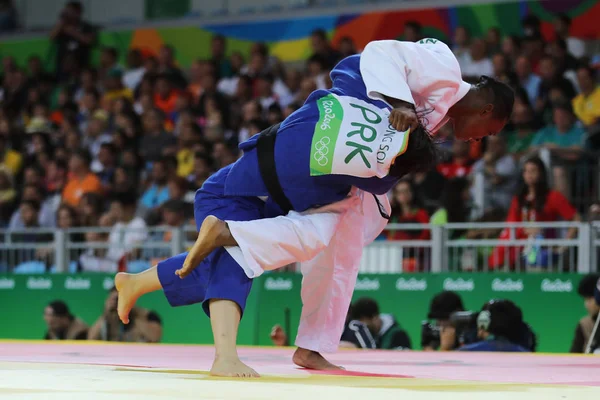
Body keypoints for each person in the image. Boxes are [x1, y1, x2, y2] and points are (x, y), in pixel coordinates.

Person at [115, 39, 514, 377]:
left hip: (327, 167)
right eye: (489, 133)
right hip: (317, 134)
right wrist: (401, 102)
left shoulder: (440, 118)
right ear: (486, 111)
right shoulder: (443, 65)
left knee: (340, 245)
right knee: (281, 247)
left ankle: (310, 344)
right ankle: (238, 329)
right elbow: (379, 51)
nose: (478, 141)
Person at [570, 274, 600, 353]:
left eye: (589, 299)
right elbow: (573, 356)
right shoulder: (584, 324)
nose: (586, 304)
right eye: (585, 300)